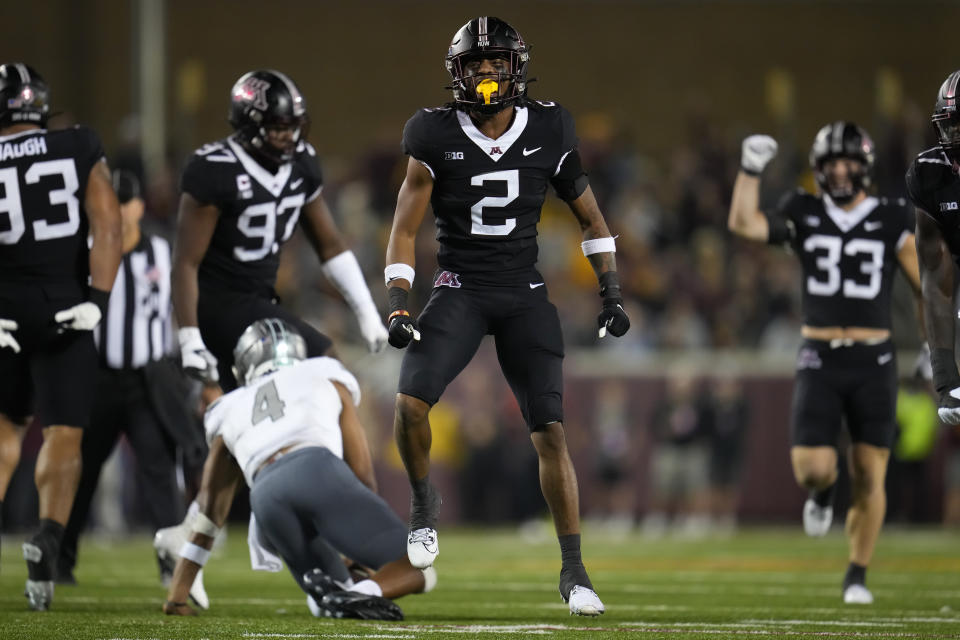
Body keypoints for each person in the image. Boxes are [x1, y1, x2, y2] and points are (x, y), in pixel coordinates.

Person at [384, 17, 629, 616]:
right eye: (476, 64)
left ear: (517, 68)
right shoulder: (432, 133)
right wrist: (398, 304)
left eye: (496, 63)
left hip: (523, 288)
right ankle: (422, 506)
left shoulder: (550, 125)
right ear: (457, 73)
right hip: (460, 286)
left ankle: (574, 572)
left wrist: (612, 293)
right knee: (409, 403)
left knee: (549, 430)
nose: (487, 74)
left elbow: (591, 219)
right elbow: (403, 230)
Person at [728, 122, 924, 604]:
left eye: (847, 163)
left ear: (864, 168)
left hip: (873, 357)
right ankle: (819, 495)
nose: (839, 172)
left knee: (869, 473)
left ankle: (856, 575)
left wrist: (934, 344)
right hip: (819, 356)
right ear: (818, 169)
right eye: (830, 164)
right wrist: (751, 169)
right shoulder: (805, 209)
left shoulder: (893, 215)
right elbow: (745, 223)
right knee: (814, 468)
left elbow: (930, 286)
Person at [161, 319, 434, 620]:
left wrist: (178, 594)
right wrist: (356, 544)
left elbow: (208, 516)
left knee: (327, 599)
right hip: (316, 469)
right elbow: (362, 474)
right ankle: (361, 593)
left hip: (265, 498)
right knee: (418, 565)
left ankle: (344, 593)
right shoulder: (324, 372)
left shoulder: (230, 406)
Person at [171, 69, 387, 392]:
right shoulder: (215, 170)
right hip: (217, 303)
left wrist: (366, 311)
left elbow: (330, 245)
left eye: (293, 127)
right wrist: (189, 337)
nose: (290, 137)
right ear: (249, 126)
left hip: (262, 301)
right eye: (278, 128)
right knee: (328, 366)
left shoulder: (301, 165)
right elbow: (185, 263)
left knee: (238, 408)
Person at [0, 63, 123, 610]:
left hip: (3, 307)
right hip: (64, 304)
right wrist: (96, 302)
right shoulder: (76, 144)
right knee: (64, 434)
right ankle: (49, 537)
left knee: (4, 434)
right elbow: (108, 222)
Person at [56, 171, 202, 585]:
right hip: (98, 379)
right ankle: (61, 559)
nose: (119, 210)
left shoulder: (161, 251)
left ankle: (171, 563)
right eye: (111, 201)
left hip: (147, 380)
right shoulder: (84, 251)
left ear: (138, 206)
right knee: (81, 473)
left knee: (158, 469)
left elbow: (183, 306)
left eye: (125, 201)